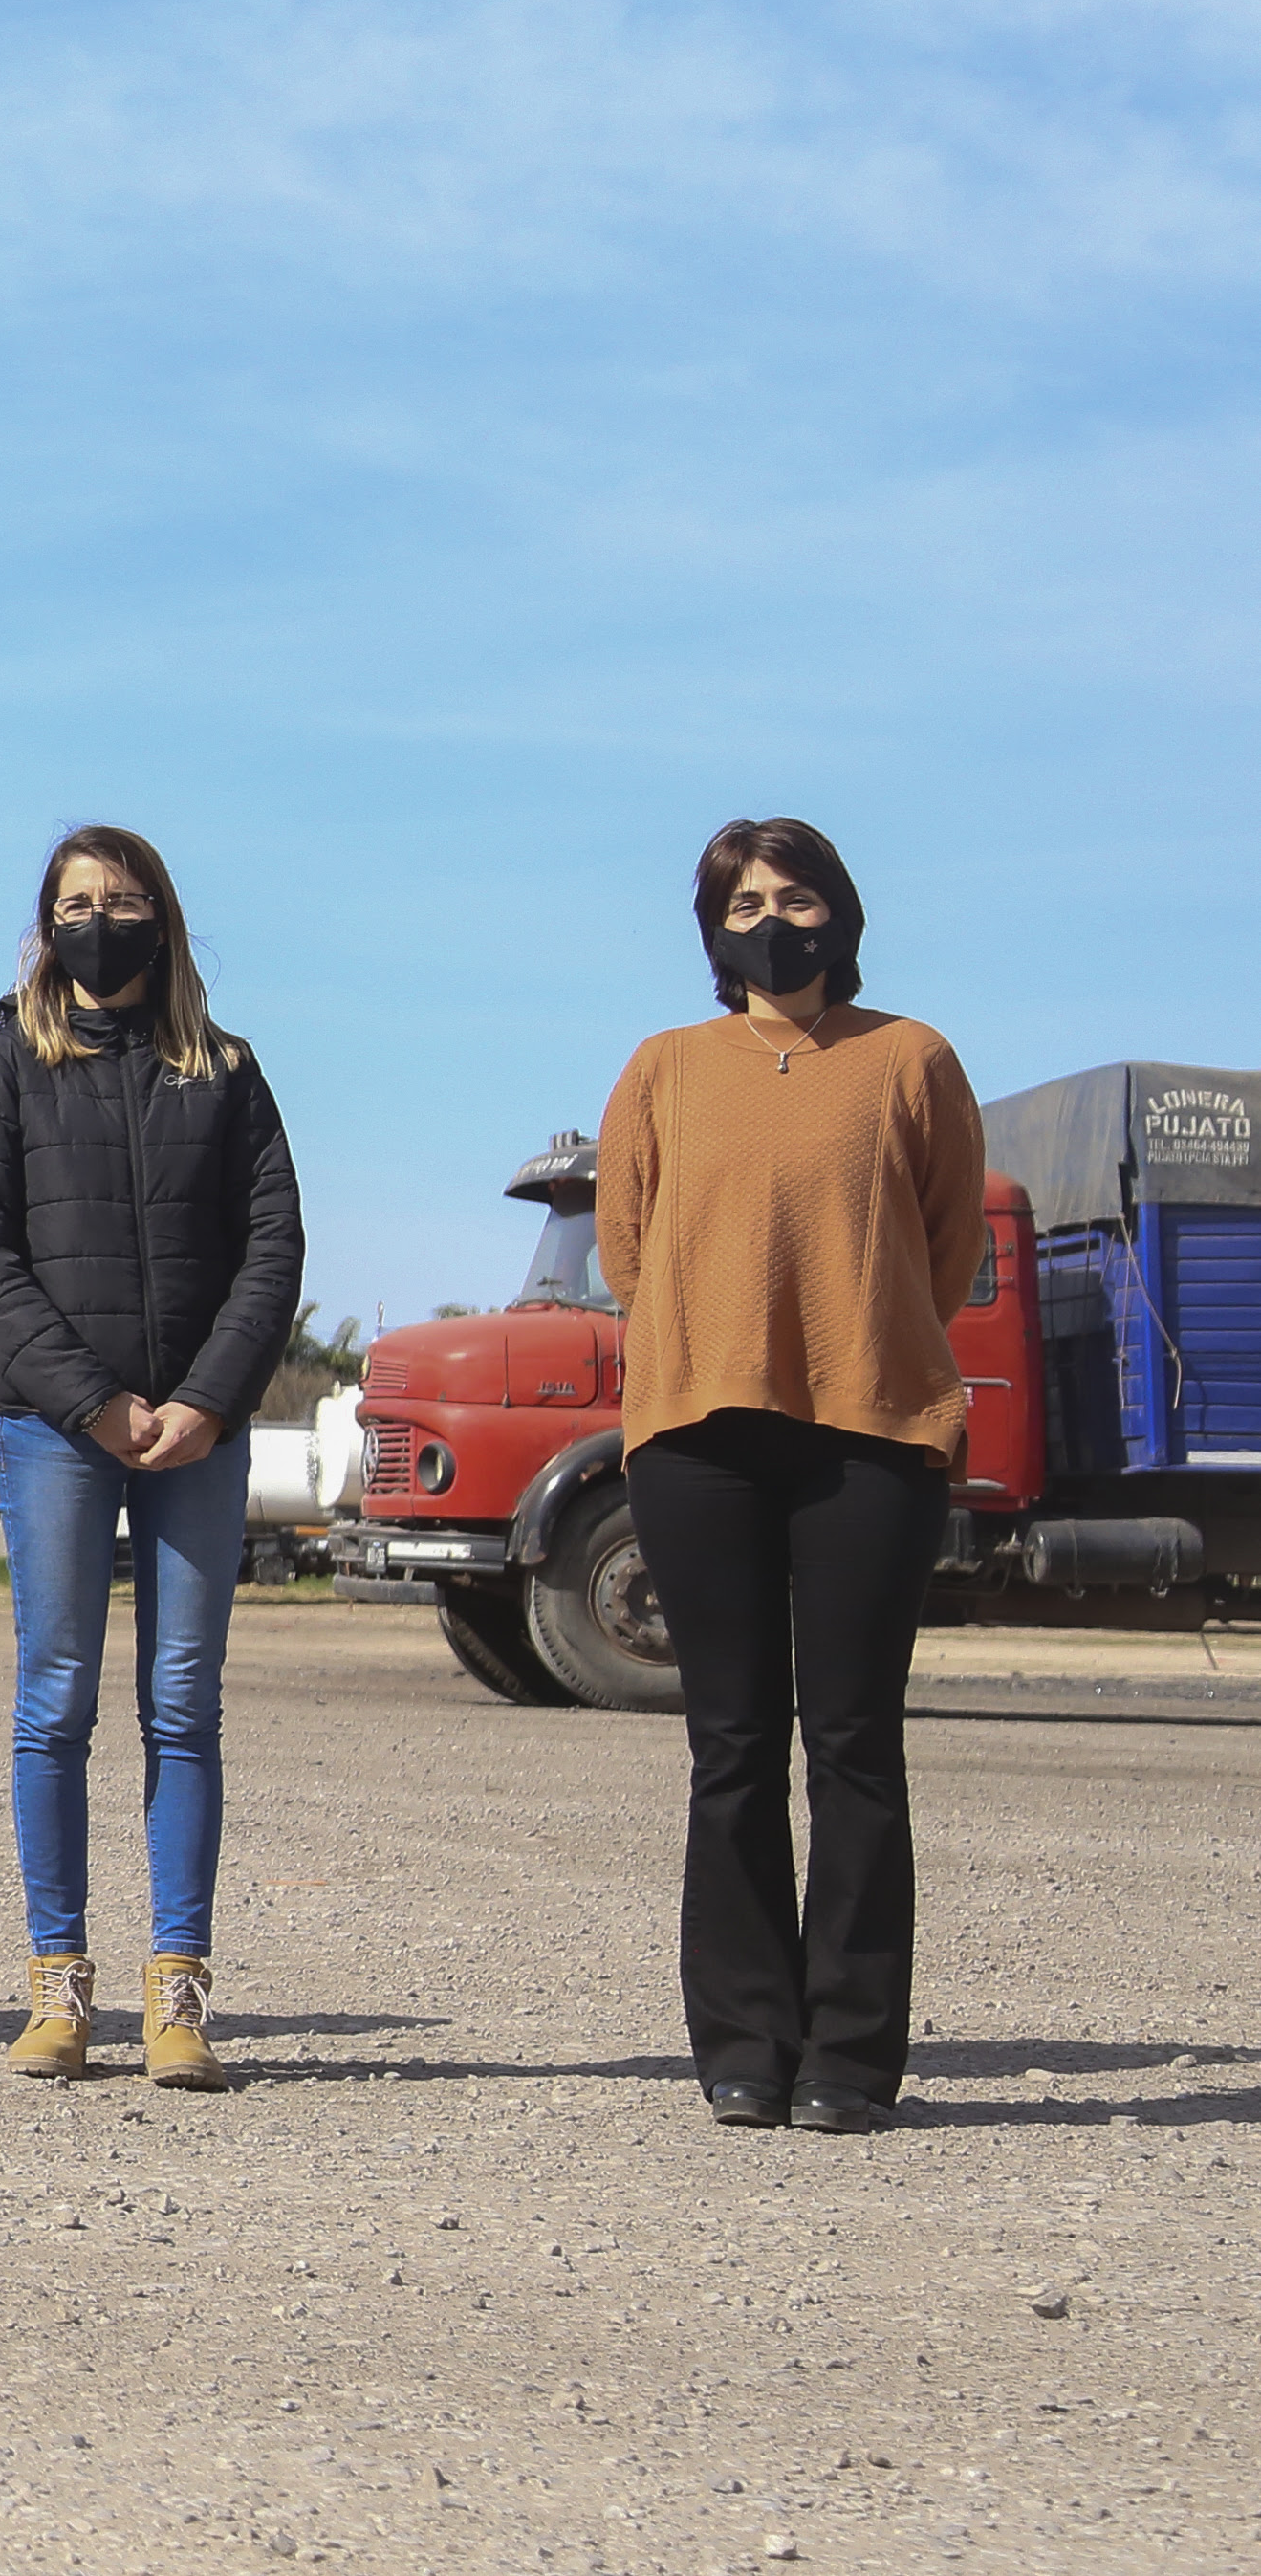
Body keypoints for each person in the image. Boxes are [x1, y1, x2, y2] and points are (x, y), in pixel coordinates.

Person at [598, 818, 979, 2137]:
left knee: (856, 1745)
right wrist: (710, 1352)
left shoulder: (910, 1060)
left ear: (839, 916)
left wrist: (856, 1346)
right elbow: (628, 1250)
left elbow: (947, 1249)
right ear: (715, 930)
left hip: (868, 1437)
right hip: (698, 1439)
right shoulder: (663, 1069)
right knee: (733, 1746)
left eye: (796, 896)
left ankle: (853, 2058)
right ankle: (746, 2044)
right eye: (747, 900)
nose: (773, 919)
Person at [0, 825, 303, 2093]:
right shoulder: (2, 1070)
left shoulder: (226, 1073)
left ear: (163, 919)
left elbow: (270, 1254)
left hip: (197, 1440)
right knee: (53, 1706)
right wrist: (92, 1401)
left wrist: (204, 1402)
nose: (101, 921)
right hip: (55, 1435)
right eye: (76, 903)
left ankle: (178, 2000)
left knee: (182, 1709)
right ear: (47, 926)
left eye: (124, 900)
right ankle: (56, 1989)